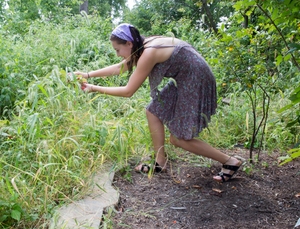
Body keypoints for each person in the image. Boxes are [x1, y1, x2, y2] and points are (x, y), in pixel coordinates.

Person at [74, 23, 243, 182]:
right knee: (153, 111)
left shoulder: (149, 52)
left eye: (118, 49)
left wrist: (93, 88)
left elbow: (128, 91)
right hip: (185, 79)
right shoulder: (143, 45)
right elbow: (121, 67)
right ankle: (160, 162)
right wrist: (88, 74)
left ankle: (230, 161)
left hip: (196, 81)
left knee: (178, 139)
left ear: (128, 43)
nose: (118, 54)